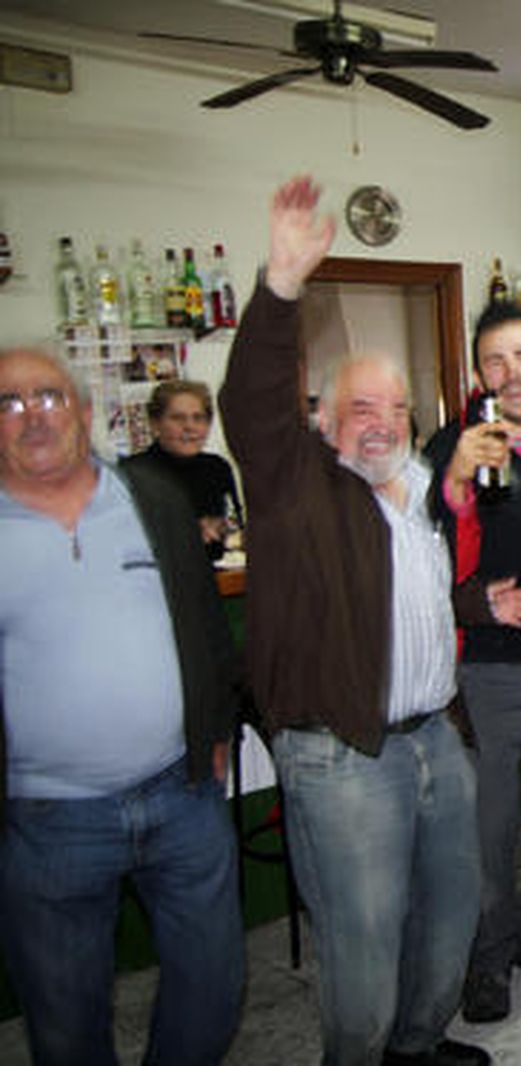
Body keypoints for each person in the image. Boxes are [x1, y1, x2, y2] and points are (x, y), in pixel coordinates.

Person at [219, 175, 487, 1066]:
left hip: (434, 738)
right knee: (362, 946)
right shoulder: (299, 487)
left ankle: (415, 1047)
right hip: (342, 750)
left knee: (449, 914)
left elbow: (400, 603)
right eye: (360, 409)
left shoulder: (419, 490)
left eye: (395, 407)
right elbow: (252, 403)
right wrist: (282, 283)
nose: (379, 424)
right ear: (325, 421)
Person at [0, 347, 244, 1066]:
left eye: (47, 396)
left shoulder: (150, 498)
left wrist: (215, 729)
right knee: (67, 1023)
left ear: (80, 409)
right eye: (9, 403)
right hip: (49, 821)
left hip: (182, 794)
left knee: (214, 992)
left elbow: (201, 618)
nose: (32, 415)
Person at [421, 301, 521, 1025]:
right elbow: (427, 551)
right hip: (489, 672)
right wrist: (477, 603)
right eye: (496, 360)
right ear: (478, 373)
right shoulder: (460, 449)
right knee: (490, 830)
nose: (513, 372)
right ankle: (486, 961)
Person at [123, 379, 242, 558]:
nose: (189, 427)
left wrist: (223, 527)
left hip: (216, 577)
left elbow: (235, 523)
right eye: (177, 418)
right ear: (155, 423)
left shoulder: (217, 468)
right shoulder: (132, 474)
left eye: (198, 418)